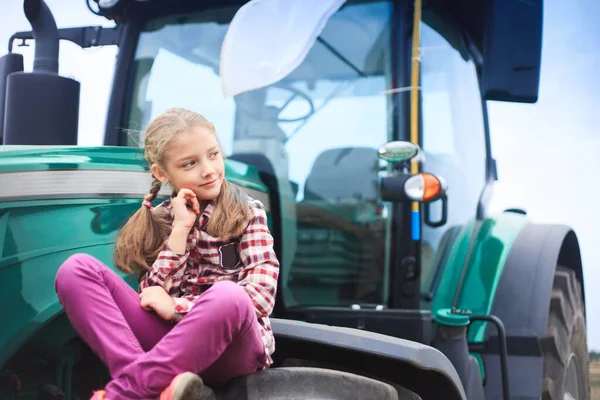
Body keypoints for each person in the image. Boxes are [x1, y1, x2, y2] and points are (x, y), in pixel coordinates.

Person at [54, 108, 280, 400]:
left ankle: (127, 391)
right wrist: (180, 231)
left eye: (213, 154)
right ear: (162, 173)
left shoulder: (248, 212)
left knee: (229, 295)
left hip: (233, 352)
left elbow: (261, 294)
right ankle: (144, 379)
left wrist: (178, 308)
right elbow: (150, 298)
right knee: (75, 269)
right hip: (171, 347)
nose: (209, 169)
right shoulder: (162, 219)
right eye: (190, 163)